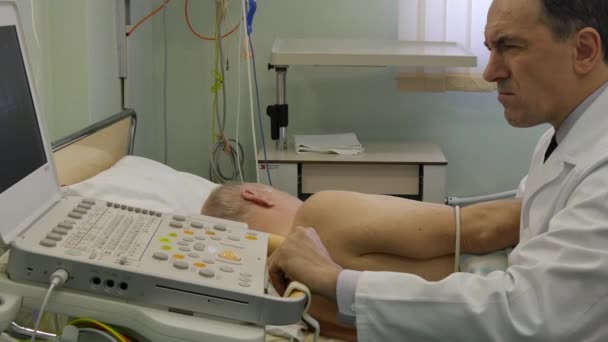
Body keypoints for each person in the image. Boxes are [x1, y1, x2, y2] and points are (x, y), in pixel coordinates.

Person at [267, 0, 608, 340]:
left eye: (510, 46)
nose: (490, 72)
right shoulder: (558, 139)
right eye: (490, 48)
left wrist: (334, 281)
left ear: (583, 50)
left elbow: (527, 314)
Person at [202, 183, 520, 340]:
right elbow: (482, 228)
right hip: (521, 298)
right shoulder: (318, 214)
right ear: (256, 194)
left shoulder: (299, 309)